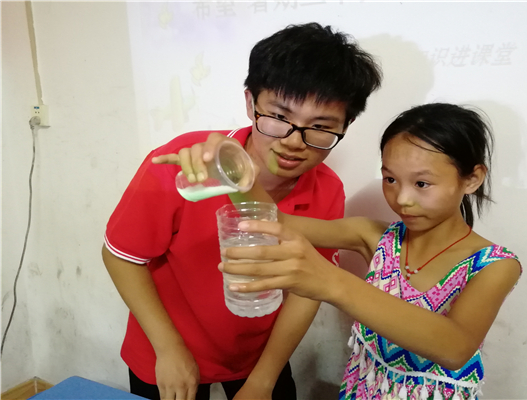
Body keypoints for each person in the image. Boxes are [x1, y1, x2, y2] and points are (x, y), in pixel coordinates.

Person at [102, 22, 381, 400]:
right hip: (164, 345)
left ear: (346, 126)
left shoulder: (327, 190)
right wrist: (168, 349)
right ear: (251, 103)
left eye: (319, 127)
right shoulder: (186, 163)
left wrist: (263, 379)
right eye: (279, 117)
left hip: (259, 355)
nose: (293, 143)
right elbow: (121, 256)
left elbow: (307, 290)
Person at [218, 103, 523, 399]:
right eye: (390, 179)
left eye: (422, 183)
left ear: (472, 179)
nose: (402, 198)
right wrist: (228, 163)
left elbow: (455, 348)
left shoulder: (494, 265)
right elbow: (275, 219)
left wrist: (332, 282)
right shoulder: (375, 236)